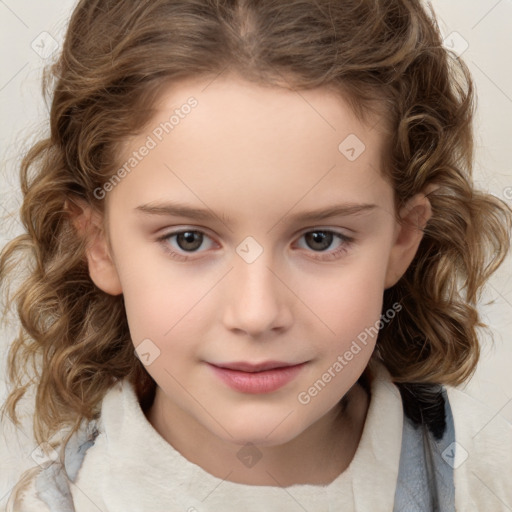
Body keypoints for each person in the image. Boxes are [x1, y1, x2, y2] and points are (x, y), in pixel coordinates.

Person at [1, 0, 511, 510]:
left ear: (403, 238)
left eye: (320, 239)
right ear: (99, 244)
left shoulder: (483, 481)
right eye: (189, 240)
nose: (256, 313)